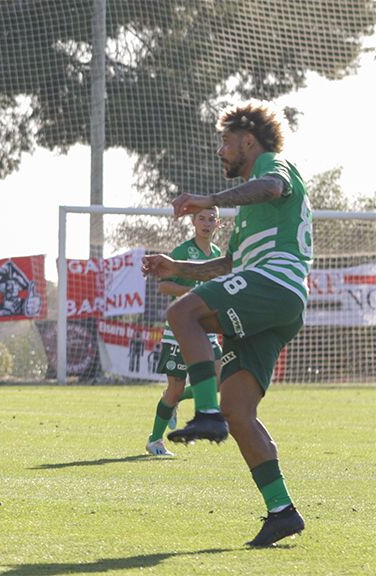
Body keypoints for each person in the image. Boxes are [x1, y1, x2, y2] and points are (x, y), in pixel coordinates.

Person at [142, 101, 311, 547]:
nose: (220, 151)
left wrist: (210, 199)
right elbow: (225, 265)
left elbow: (272, 186)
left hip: (274, 285)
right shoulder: (248, 219)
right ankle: (281, 511)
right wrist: (172, 267)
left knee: (182, 313)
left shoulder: (274, 165)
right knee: (242, 412)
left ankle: (207, 413)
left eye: (226, 142)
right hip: (276, 305)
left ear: (248, 141)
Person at [145, 206, 223, 457]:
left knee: (220, 378)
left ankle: (176, 401)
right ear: (193, 222)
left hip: (207, 329)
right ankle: (155, 441)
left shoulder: (219, 254)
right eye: (202, 218)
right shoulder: (182, 251)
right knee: (175, 388)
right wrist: (194, 295)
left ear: (218, 224)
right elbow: (164, 286)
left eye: (212, 219)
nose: (207, 223)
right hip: (181, 329)